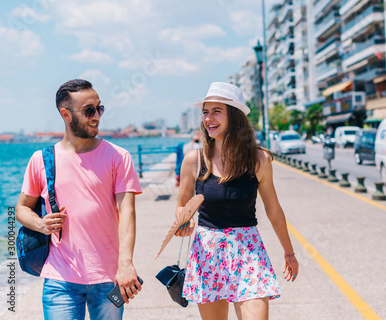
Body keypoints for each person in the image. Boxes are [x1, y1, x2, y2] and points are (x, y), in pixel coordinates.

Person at [15, 79, 143, 320]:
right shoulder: (41, 160)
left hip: (108, 277)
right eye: (89, 111)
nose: (97, 116)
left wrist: (126, 264)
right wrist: (41, 224)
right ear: (65, 114)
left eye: (99, 108)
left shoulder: (119, 157)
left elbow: (127, 213)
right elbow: (21, 209)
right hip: (59, 279)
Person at [174, 82, 299, 320]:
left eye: (216, 111)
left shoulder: (258, 159)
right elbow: (182, 206)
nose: (208, 118)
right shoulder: (194, 161)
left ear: (234, 116)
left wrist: (289, 253)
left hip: (248, 252)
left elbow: (274, 211)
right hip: (207, 253)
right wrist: (184, 222)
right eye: (205, 112)